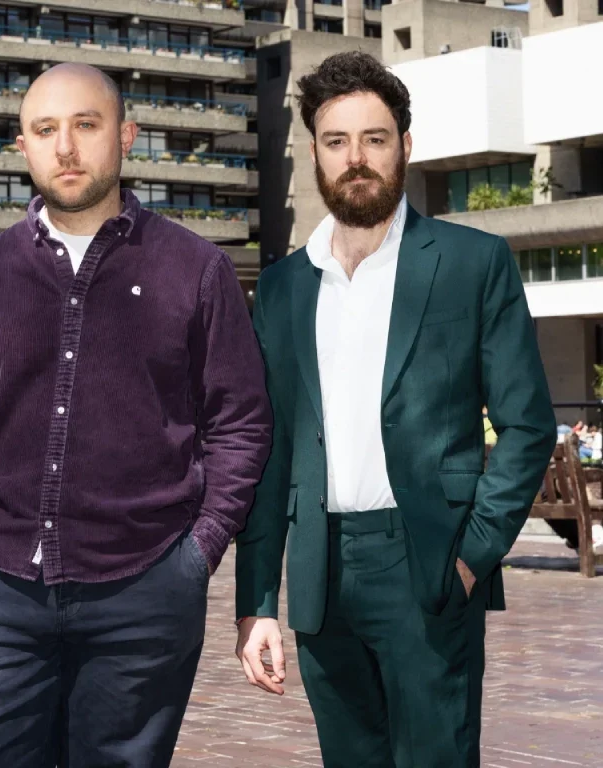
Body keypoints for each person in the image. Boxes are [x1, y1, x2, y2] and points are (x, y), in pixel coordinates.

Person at [0, 62, 272, 768]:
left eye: (86, 125)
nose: (66, 147)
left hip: (143, 591)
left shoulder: (196, 270)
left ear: (126, 136)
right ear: (23, 146)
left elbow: (240, 422)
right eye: (46, 130)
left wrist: (197, 553)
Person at [234, 53, 555, 767]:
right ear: (314, 152)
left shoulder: (473, 263)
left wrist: (473, 557)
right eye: (337, 141)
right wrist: (256, 602)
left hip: (430, 568)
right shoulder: (284, 288)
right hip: (319, 576)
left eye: (375, 139)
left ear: (406, 146)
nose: (357, 159)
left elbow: (528, 424)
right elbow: (269, 447)